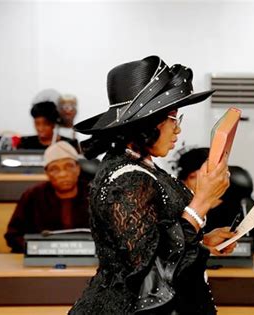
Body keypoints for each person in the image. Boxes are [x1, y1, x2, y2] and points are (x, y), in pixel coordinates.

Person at [69, 55, 236, 315]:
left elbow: (159, 237)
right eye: (173, 118)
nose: (177, 130)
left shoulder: (140, 166)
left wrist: (202, 243)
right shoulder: (127, 179)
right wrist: (201, 202)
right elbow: (150, 270)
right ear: (149, 122)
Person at [5, 141, 90, 253]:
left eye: (69, 166)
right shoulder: (33, 195)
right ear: (46, 173)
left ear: (78, 169)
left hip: (88, 259)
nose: (63, 174)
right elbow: (13, 235)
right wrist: (37, 248)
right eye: (54, 169)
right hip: (41, 260)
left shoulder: (93, 194)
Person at [177, 147, 254, 253]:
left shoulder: (238, 206)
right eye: (191, 177)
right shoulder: (179, 207)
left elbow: (246, 248)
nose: (195, 183)